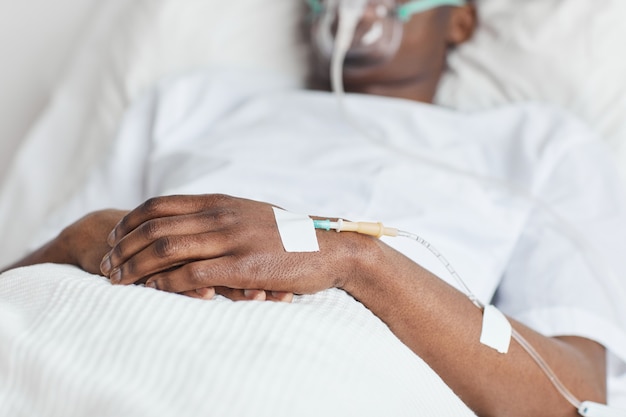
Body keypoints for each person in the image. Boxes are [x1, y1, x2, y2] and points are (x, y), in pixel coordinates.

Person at [3, 1, 626, 416]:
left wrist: (355, 259)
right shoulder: (194, 101)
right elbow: (29, 272)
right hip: (63, 335)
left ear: (460, 19)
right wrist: (76, 240)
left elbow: (571, 392)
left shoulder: (538, 147)